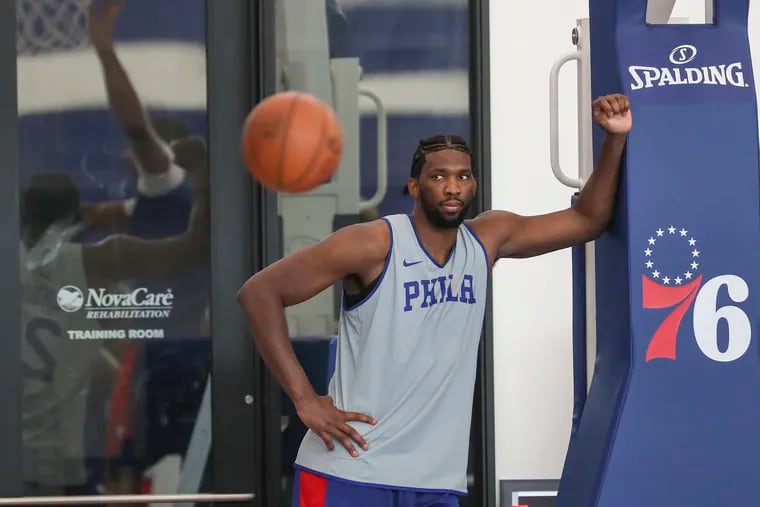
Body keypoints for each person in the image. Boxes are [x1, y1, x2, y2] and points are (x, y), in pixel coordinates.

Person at [237, 94, 632, 506]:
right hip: (351, 470)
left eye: (463, 177)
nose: (452, 187)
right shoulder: (374, 243)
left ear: (473, 185)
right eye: (439, 176)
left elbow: (587, 219)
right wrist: (304, 400)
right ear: (414, 186)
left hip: (435, 481)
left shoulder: (486, 240)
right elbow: (259, 292)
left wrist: (615, 138)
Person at [19, 136, 209, 498]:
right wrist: (205, 173)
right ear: (76, 217)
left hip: (22, 446)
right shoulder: (94, 261)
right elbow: (196, 248)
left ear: (24, 218)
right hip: (65, 451)